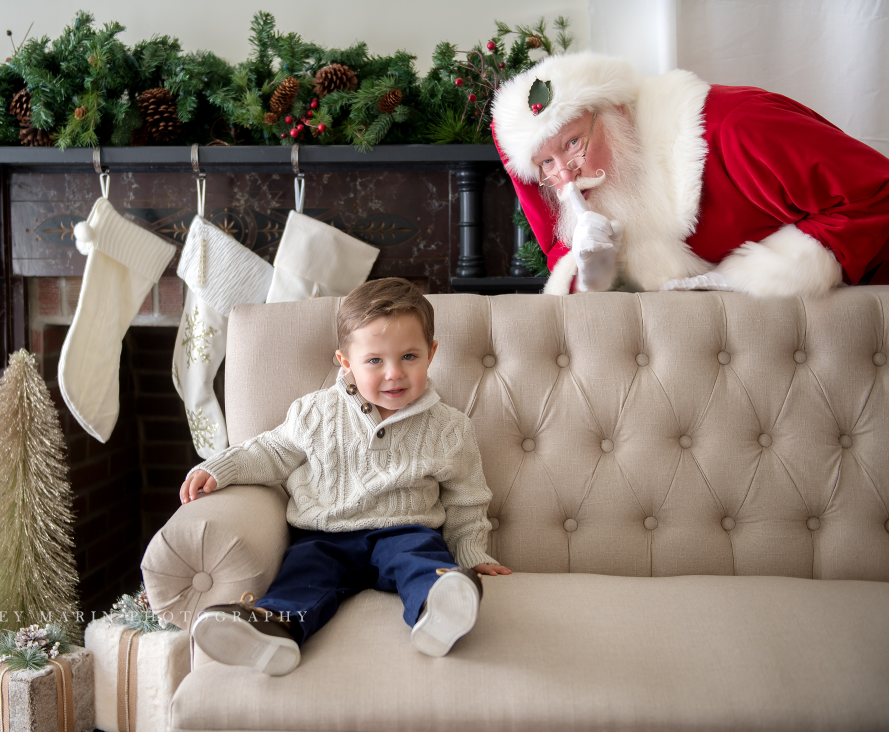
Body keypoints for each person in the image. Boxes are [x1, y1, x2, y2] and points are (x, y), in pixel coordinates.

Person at [178, 277, 511, 675]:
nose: (394, 374)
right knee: (303, 576)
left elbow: (466, 499)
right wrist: (220, 467)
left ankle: (439, 611)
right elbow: (271, 451)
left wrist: (472, 554)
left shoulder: (449, 427)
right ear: (346, 362)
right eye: (375, 360)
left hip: (404, 530)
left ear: (431, 353)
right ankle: (275, 630)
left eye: (409, 357)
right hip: (326, 535)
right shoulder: (314, 412)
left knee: (423, 562)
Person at [490, 52, 889, 296]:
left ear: (618, 114)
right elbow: (576, 271)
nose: (566, 173)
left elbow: (877, 193)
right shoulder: (599, 187)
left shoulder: (735, 128)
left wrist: (758, 275)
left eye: (573, 143)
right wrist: (593, 271)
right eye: (546, 163)